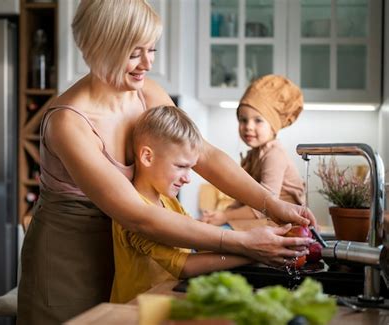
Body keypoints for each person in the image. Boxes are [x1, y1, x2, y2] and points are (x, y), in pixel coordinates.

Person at [17, 1, 315, 324]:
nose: (148, 62)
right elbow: (139, 216)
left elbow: (204, 154)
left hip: (130, 260)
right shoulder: (68, 123)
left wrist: (270, 204)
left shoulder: (146, 93)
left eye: (152, 49)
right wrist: (243, 242)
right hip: (69, 266)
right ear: (102, 45)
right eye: (135, 52)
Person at [111, 105, 252, 303]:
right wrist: (253, 252)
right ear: (147, 157)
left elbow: (196, 242)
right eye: (180, 166)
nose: (187, 179)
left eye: (190, 168)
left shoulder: (168, 199)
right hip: (135, 314)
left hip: (165, 302)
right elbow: (184, 265)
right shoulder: (131, 210)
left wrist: (249, 243)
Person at [201, 75, 306, 227]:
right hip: (261, 221)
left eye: (258, 120)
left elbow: (264, 206)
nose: (248, 126)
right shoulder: (253, 156)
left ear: (273, 126)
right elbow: (243, 198)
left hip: (281, 225)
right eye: (243, 120)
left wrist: (225, 216)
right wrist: (218, 216)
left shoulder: (274, 155)